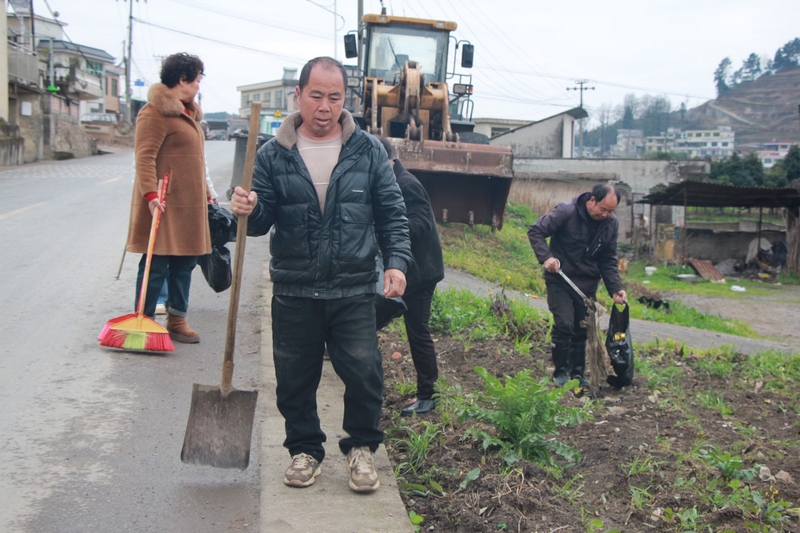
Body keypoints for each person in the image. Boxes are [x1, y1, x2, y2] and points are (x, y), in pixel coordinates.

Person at [230, 57, 412, 493]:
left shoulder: (368, 150)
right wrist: (245, 209)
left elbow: (392, 215)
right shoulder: (273, 154)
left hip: (352, 285)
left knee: (365, 371)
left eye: (334, 97)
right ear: (299, 96)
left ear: (344, 99)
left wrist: (396, 263)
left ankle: (362, 449)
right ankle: (305, 450)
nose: (325, 106)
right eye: (316, 95)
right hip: (295, 286)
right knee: (294, 376)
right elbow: (259, 222)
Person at [126, 52, 211, 343]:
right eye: (197, 79)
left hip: (190, 205)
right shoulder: (154, 112)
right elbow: (144, 157)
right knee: (156, 264)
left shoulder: (188, 113)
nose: (199, 85)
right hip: (163, 202)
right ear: (182, 79)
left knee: (185, 264)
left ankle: (177, 319)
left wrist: (208, 193)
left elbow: (197, 162)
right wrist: (150, 195)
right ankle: (144, 320)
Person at [527, 184, 627, 391]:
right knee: (564, 324)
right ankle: (561, 373)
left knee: (582, 329)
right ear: (592, 200)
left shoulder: (610, 224)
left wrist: (615, 288)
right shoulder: (567, 211)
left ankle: (578, 374)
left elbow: (608, 259)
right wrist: (546, 257)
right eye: (603, 209)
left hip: (586, 285)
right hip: (560, 280)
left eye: (611, 211)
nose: (607, 215)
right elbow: (536, 230)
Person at [375, 136, 444, 417]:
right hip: (402, 271)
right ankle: (367, 383)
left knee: (418, 333)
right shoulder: (386, 182)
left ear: (386, 160)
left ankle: (428, 396)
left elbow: (422, 224)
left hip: (419, 274)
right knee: (366, 320)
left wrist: (387, 230)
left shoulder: (407, 184)